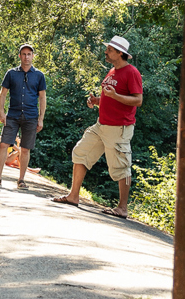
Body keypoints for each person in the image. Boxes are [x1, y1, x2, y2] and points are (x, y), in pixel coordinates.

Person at [52, 36, 143, 219]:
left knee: (121, 166)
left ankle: (122, 208)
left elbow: (138, 100)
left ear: (120, 53)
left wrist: (115, 96)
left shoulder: (131, 72)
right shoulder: (112, 71)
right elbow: (110, 98)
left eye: (109, 50)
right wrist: (96, 101)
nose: (105, 52)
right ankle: (73, 196)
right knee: (80, 153)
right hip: (101, 125)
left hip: (119, 128)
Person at [0, 43, 46, 190]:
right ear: (20, 56)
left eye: (29, 54)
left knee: (26, 148)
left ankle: (21, 180)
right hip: (12, 115)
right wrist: (1, 112)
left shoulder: (39, 75)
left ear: (33, 56)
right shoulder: (11, 73)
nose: (26, 57)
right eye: (24, 54)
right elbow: (3, 94)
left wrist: (41, 118)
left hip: (31, 116)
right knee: (4, 144)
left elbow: (42, 98)